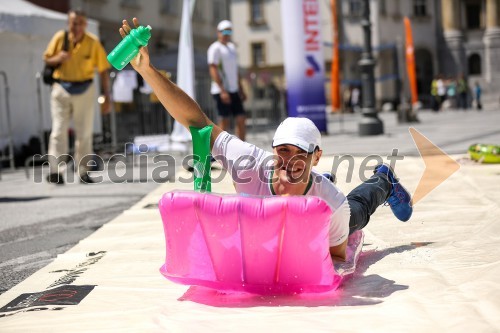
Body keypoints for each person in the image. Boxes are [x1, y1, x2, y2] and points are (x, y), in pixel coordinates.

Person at [119, 18, 413, 262]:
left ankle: (383, 181)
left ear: (316, 156)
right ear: (272, 151)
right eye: (283, 151)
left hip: (321, 225)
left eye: (301, 154)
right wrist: (147, 70)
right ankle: (315, 178)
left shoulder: (331, 204)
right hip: (280, 216)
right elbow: (197, 122)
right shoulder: (249, 165)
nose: (288, 160)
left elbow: (336, 261)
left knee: (355, 213)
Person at [43, 9, 111, 185]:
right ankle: (55, 171)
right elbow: (47, 59)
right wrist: (59, 57)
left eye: (80, 23)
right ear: (69, 23)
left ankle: (83, 171)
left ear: (85, 25)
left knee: (84, 132)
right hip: (61, 88)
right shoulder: (60, 38)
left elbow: (103, 70)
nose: (76, 26)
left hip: (85, 88)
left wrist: (107, 96)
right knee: (58, 130)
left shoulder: (93, 42)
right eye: (73, 22)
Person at [207, 20, 247, 140]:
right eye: (224, 31)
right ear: (218, 32)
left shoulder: (232, 48)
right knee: (224, 120)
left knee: (241, 118)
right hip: (221, 90)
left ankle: (243, 147)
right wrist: (222, 90)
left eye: (229, 31)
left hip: (234, 89)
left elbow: (235, 70)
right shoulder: (215, 48)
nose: (226, 33)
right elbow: (213, 69)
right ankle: (221, 151)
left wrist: (241, 88)